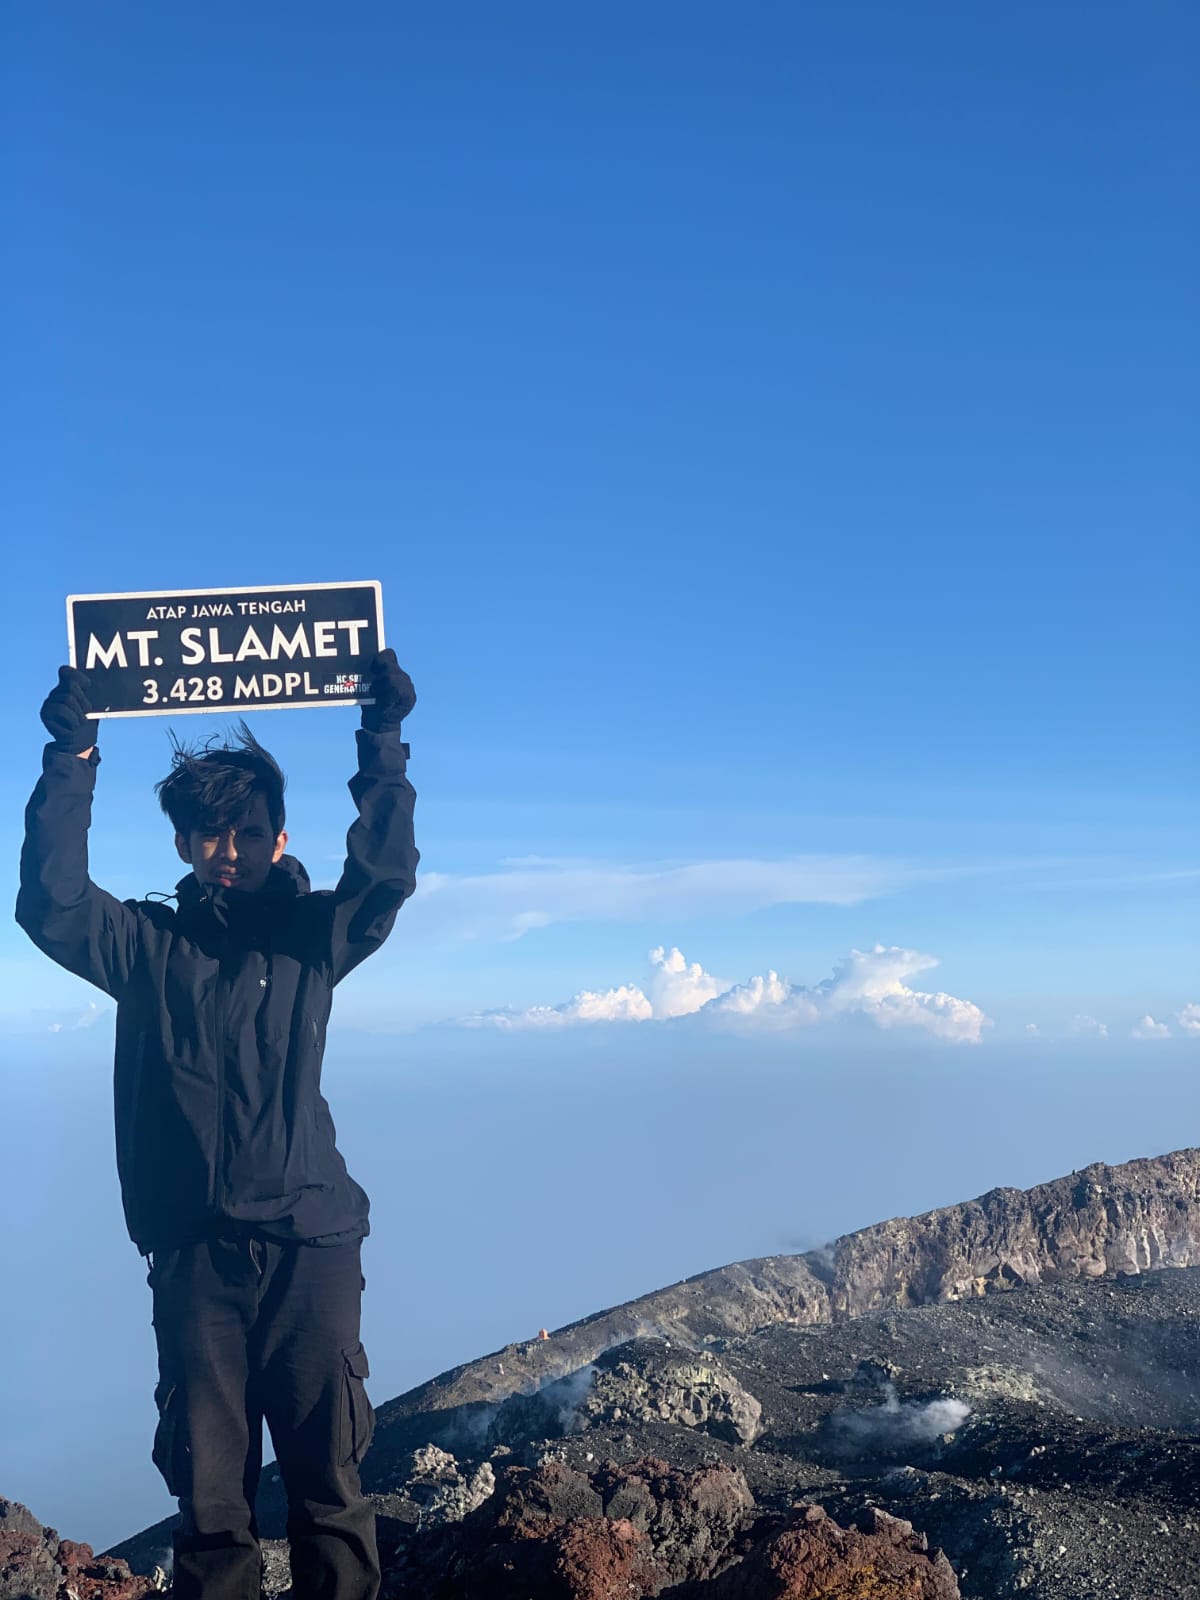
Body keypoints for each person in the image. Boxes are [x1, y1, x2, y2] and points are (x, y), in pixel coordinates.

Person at [16, 651, 419, 1600]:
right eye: (208, 833)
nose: (226, 847)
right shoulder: (149, 946)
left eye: (245, 830)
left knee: (328, 1489)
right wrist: (71, 753)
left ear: (279, 837)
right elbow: (51, 903)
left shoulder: (313, 936)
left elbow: (385, 879)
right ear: (185, 845)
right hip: (197, 1262)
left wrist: (383, 746)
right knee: (210, 1508)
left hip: (312, 1252)